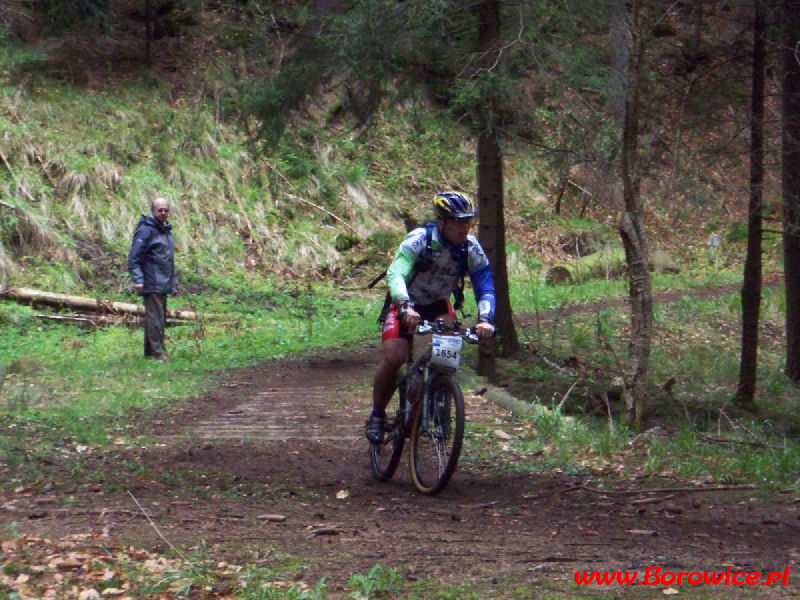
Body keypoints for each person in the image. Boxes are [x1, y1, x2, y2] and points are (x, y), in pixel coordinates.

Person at [365, 191, 496, 442]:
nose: (464, 228)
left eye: (467, 222)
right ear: (442, 222)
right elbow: (396, 273)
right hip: (405, 302)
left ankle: (434, 394)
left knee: (448, 348)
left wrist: (486, 320)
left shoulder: (471, 247)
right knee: (396, 356)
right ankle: (378, 414)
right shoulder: (420, 239)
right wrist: (404, 305)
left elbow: (485, 286)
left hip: (437, 304)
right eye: (458, 222)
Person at [128, 197, 179, 361]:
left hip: (164, 280)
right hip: (152, 280)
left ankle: (150, 352)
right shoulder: (145, 230)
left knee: (158, 317)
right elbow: (134, 257)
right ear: (153, 210)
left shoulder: (165, 230)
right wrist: (138, 279)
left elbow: (168, 259)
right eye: (160, 210)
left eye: (166, 210)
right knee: (155, 318)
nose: (163, 213)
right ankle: (159, 352)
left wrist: (174, 282)